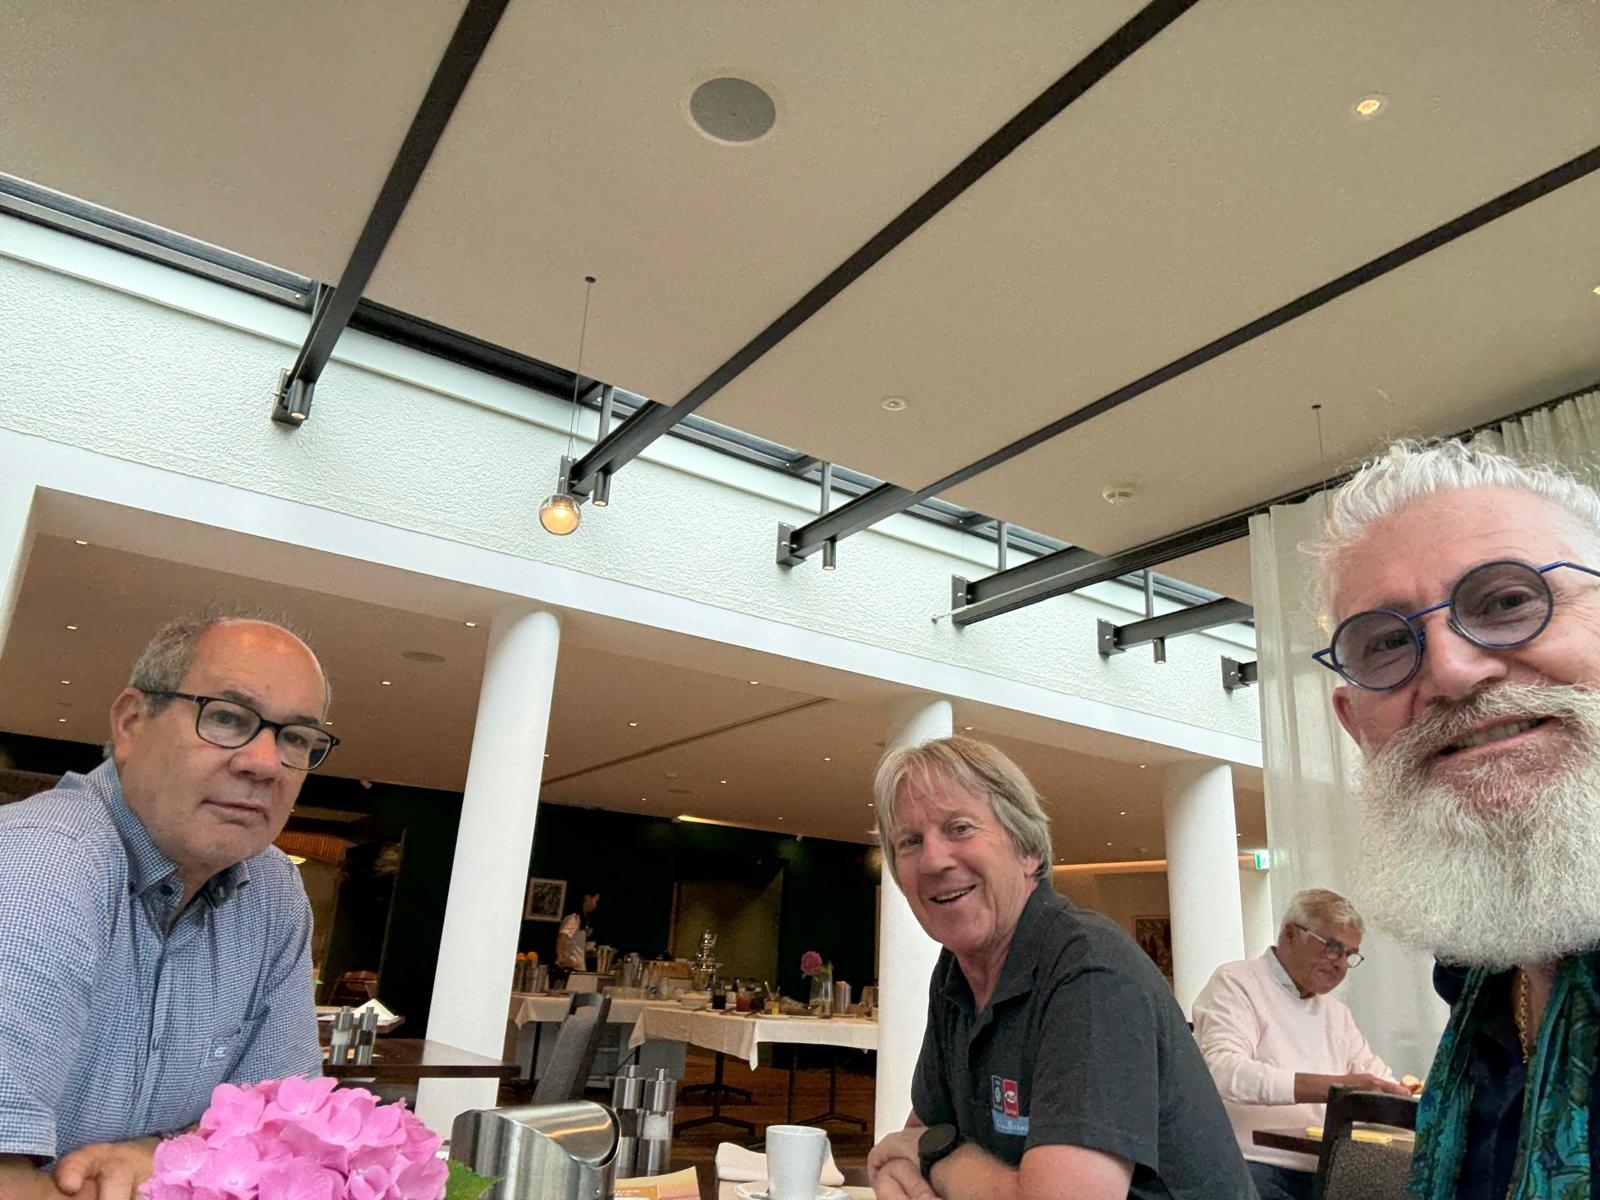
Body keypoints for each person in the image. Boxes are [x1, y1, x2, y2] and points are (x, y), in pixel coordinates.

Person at [1313, 437, 1600, 1199]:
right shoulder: (1478, 968)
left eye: (1508, 601)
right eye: (1385, 644)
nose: (1450, 670)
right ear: (1355, 725)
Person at [0, 615, 336, 1200]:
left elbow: (286, 1140)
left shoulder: (273, 890)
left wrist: (157, 1156)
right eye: (226, 718)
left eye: (295, 738)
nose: (265, 764)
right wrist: (191, 1164)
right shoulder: (42, 862)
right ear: (131, 722)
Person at [865, 736, 1253, 1200]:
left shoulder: (1090, 972)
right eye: (910, 842)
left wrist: (938, 1156)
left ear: (1027, 850)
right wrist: (914, 1157)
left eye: (960, 828)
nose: (933, 859)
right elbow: (916, 1138)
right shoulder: (956, 972)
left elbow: (926, 1147)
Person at [1192, 888, 1410, 1200]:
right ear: (1290, 934)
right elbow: (1223, 1072)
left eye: (1349, 954)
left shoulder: (1336, 1013)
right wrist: (1336, 1088)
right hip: (1253, 1163)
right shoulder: (1236, 983)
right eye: (1332, 948)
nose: (1341, 964)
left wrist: (1408, 1094)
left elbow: (1376, 1079)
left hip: (1326, 1167)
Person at [555, 891, 600, 973]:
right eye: (595, 901)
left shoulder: (578, 919)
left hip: (576, 966)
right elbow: (562, 937)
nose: (595, 906)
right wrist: (560, 957)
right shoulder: (574, 918)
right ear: (587, 898)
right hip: (571, 967)